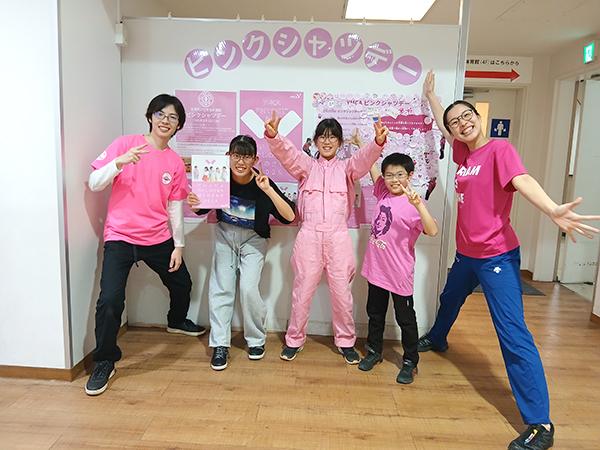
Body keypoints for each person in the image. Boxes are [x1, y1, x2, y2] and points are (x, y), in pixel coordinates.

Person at [421, 71, 600, 450]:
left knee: (513, 334)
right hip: (466, 254)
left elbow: (522, 180)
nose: (461, 123)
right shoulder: (462, 151)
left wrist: (551, 208)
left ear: (478, 117)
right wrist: (431, 96)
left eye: (466, 116)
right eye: (455, 122)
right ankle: (437, 338)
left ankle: (540, 423)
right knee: (449, 299)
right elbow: (441, 123)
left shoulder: (500, 150)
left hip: (496, 257)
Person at [85, 94, 205, 396]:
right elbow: (94, 182)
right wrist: (119, 163)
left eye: (173, 117)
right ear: (150, 116)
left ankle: (176, 321)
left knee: (182, 282)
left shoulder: (174, 162)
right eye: (161, 114)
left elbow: (175, 206)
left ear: (179, 126)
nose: (166, 121)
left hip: (157, 238)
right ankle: (105, 360)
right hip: (120, 237)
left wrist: (179, 245)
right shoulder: (126, 144)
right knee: (110, 300)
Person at [264, 112, 388, 364]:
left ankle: (346, 341)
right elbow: (288, 154)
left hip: (338, 237)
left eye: (332, 137)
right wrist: (274, 136)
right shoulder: (306, 166)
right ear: (316, 140)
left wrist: (377, 143)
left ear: (340, 142)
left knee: (342, 294)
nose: (327, 141)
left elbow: (363, 159)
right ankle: (294, 339)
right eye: (322, 137)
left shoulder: (347, 168)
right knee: (302, 291)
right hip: (309, 236)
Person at [188, 135, 295, 370]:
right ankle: (220, 344)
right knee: (221, 289)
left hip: (254, 241)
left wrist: (269, 190)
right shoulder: (219, 177)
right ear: (228, 156)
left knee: (248, 289)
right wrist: (194, 202)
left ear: (255, 159)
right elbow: (200, 209)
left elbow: (289, 216)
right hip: (225, 236)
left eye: (247, 157)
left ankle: (256, 339)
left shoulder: (262, 182)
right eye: (236, 155)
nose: (241, 161)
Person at [358, 153, 438, 384]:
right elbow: (373, 170)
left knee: (406, 320)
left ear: (410, 176)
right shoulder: (383, 192)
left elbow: (432, 231)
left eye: (399, 175)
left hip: (399, 274)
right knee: (375, 315)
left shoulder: (414, 204)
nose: (394, 180)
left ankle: (410, 361)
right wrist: (363, 146)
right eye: (389, 175)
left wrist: (419, 205)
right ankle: (374, 352)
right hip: (376, 270)